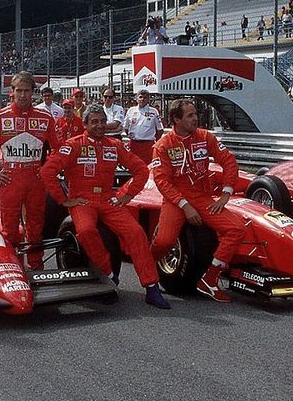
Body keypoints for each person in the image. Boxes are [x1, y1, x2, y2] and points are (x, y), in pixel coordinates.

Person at [40, 105, 170, 309]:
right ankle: (109, 273)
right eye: (95, 122)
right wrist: (63, 200)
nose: (100, 126)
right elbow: (47, 171)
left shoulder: (115, 145)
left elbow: (141, 170)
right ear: (85, 124)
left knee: (136, 233)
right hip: (82, 201)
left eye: (102, 121)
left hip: (109, 200)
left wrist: (126, 195)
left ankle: (151, 287)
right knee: (85, 231)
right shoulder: (73, 145)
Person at [150, 100, 246, 301]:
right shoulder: (162, 145)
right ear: (176, 119)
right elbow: (162, 181)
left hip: (203, 197)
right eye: (190, 115)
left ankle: (209, 279)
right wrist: (185, 206)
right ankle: (148, 270)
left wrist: (226, 192)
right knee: (165, 240)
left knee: (237, 228)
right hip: (175, 200)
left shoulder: (205, 136)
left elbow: (228, 161)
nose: (196, 118)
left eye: (195, 114)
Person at [0, 71, 59, 270]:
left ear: (33, 92)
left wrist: (47, 169)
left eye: (26, 91)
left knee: (36, 226)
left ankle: (36, 265)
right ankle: (13, 266)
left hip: (36, 178)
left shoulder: (45, 117)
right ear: (11, 92)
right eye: (18, 91)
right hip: (10, 179)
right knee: (9, 228)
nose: (22, 95)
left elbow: (59, 148)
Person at [123, 89, 164, 163]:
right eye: (140, 97)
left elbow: (160, 130)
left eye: (145, 97)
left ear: (148, 99)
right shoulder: (131, 110)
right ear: (136, 98)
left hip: (148, 145)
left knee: (148, 168)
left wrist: (155, 142)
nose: (142, 99)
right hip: (134, 144)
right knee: (134, 166)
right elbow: (126, 128)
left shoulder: (153, 111)